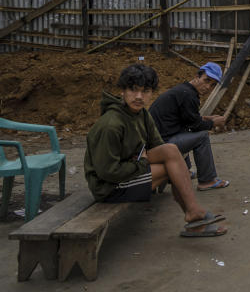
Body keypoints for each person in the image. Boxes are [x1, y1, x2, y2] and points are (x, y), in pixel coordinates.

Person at [84, 64, 227, 237]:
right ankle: (194, 216)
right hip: (109, 187)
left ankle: (193, 213)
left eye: (145, 91)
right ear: (122, 91)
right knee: (172, 167)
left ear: (152, 93)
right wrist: (142, 163)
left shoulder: (141, 115)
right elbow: (108, 172)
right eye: (133, 90)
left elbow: (159, 146)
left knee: (171, 151)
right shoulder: (111, 124)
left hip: (130, 167)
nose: (139, 96)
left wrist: (146, 160)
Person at [149, 62, 230, 191]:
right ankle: (207, 180)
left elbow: (188, 118)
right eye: (206, 80)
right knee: (202, 136)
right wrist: (213, 123)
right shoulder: (188, 95)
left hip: (159, 139)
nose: (208, 87)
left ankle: (183, 171)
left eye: (212, 84)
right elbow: (195, 126)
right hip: (162, 144)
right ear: (197, 76)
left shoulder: (184, 90)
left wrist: (207, 118)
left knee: (187, 134)